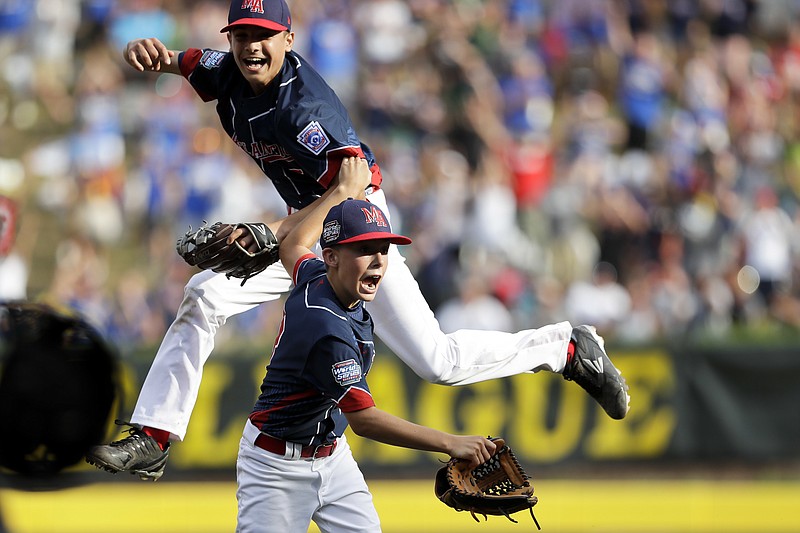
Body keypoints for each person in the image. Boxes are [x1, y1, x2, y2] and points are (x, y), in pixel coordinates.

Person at [86, 0, 629, 481]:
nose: (252, 46)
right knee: (203, 296)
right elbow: (186, 61)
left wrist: (275, 232)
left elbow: (353, 183)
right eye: (242, 35)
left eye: (264, 35)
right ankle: (154, 438)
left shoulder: (305, 110)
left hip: (355, 219)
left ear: (288, 40)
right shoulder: (224, 69)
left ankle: (566, 347)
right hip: (306, 219)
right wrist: (155, 53)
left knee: (437, 361)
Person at [236, 156, 495, 532]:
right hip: (276, 468)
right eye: (364, 249)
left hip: (331, 455)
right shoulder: (326, 325)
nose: (376, 261)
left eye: (383, 248)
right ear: (333, 257)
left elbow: (292, 246)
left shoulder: (318, 278)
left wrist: (342, 191)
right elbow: (365, 421)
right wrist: (451, 443)